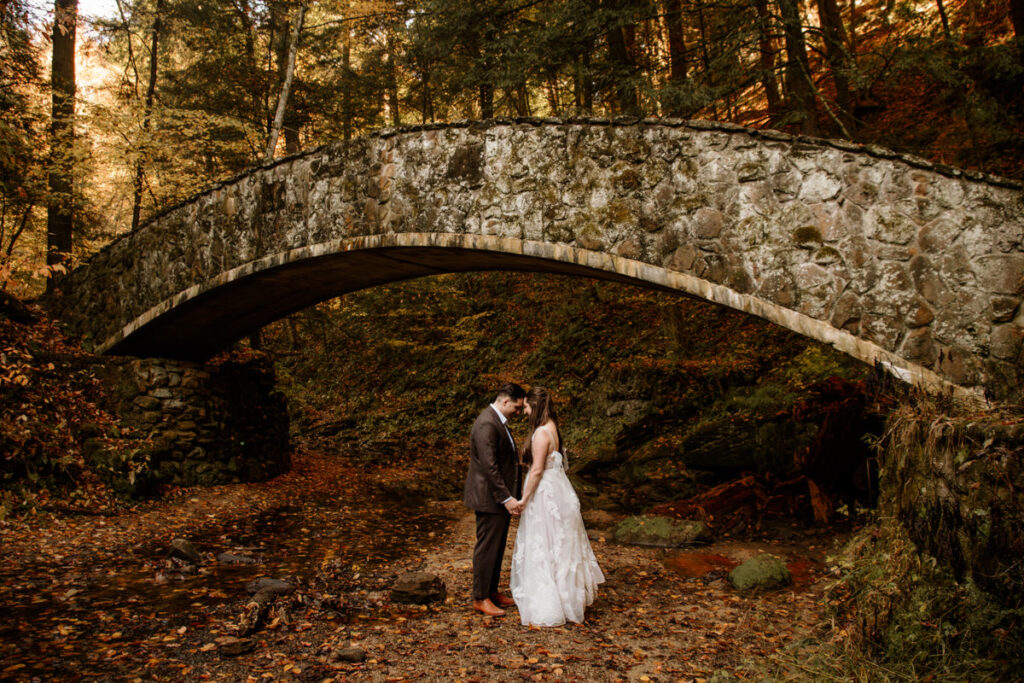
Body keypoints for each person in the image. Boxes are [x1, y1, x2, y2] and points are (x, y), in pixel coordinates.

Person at [510, 386, 605, 627]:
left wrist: (523, 499)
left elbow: (538, 470)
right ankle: (568, 600)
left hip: (546, 495)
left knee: (545, 542)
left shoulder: (541, 433)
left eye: (528, 407)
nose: (525, 412)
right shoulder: (554, 429)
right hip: (560, 491)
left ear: (536, 406)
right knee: (558, 545)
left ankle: (551, 604)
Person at [463, 382, 527, 617]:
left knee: (497, 547)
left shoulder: (497, 421)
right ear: (505, 401)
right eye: (517, 408)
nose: (518, 412)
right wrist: (506, 497)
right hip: (489, 498)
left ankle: (490, 591)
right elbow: (490, 467)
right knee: (487, 547)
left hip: (495, 498)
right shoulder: (487, 423)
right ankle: (480, 597)